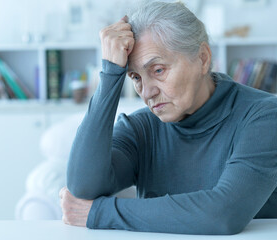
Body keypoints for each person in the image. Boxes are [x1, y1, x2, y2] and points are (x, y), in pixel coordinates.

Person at [59, 1, 277, 235]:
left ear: (202, 59)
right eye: (135, 77)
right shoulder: (141, 128)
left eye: (158, 70)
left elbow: (224, 214)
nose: (147, 92)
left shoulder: (263, 116)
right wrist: (111, 73)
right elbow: (82, 188)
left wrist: (98, 212)